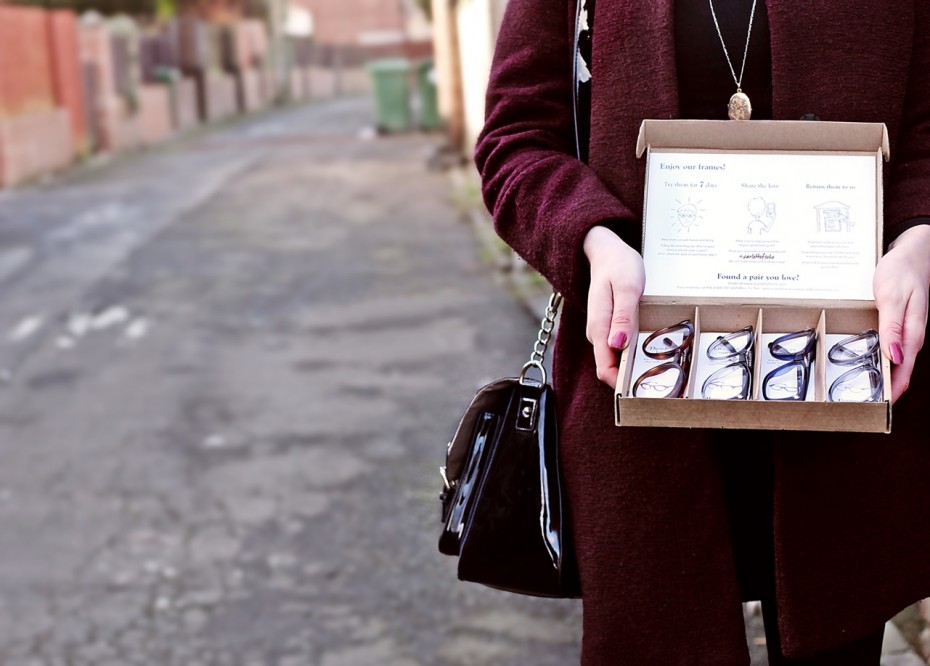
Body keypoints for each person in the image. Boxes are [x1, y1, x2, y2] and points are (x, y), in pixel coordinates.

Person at [474, 1, 930, 664]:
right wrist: (594, 239)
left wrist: (919, 236)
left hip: (845, 394)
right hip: (646, 394)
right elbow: (514, 139)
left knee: (837, 629)